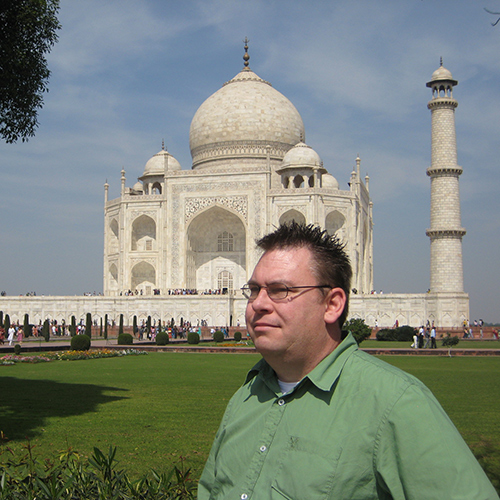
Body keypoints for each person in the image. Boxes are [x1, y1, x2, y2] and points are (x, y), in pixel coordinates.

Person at [198, 222, 498, 500]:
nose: (258, 304)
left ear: (332, 304)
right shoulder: (247, 396)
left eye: (280, 290)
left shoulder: (394, 403)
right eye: (253, 290)